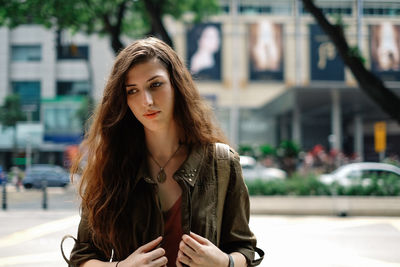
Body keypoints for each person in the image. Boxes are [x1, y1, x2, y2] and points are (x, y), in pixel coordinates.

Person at [64, 37, 263, 267]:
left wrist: (224, 262)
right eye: (132, 91)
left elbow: (244, 250)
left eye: (155, 84)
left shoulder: (221, 162)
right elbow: (82, 258)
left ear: (176, 85)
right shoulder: (112, 166)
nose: (146, 101)